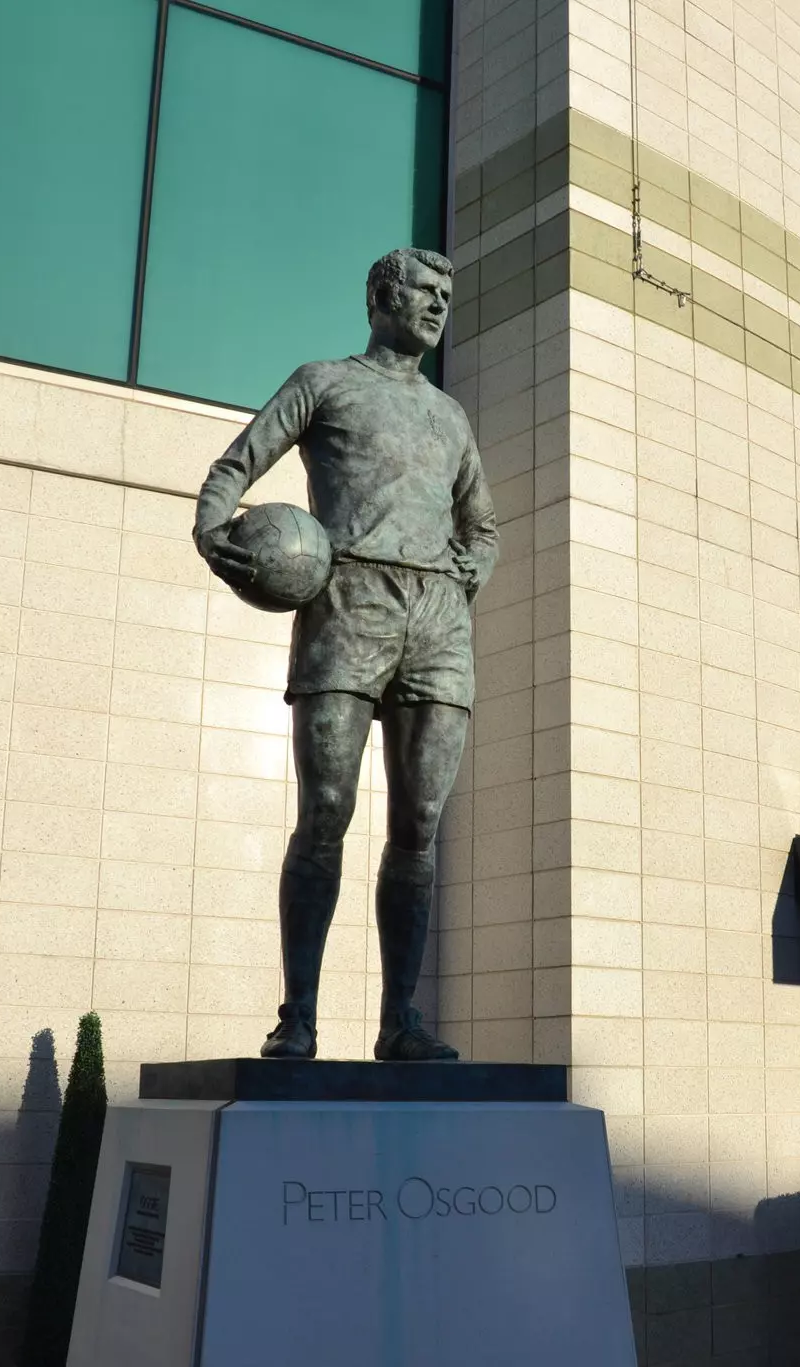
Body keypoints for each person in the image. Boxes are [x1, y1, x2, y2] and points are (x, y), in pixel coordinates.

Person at [193, 247, 497, 1062]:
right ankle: (298, 1014)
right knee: (326, 811)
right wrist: (212, 526)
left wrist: (475, 565)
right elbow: (238, 461)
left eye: (446, 295)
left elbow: (484, 524)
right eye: (424, 291)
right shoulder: (324, 382)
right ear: (380, 296)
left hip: (436, 615)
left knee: (421, 823)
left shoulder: (449, 415)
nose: (438, 305)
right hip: (348, 600)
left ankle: (401, 1018)